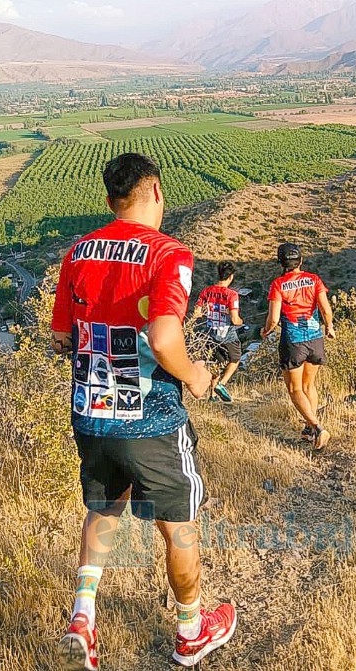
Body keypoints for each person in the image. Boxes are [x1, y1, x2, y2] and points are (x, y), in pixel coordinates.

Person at [51, 153, 237, 670]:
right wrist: (195, 375)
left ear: (110, 202)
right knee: (179, 526)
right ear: (155, 192)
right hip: (150, 419)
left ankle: (82, 619)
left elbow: (62, 337)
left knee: (103, 508)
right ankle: (192, 632)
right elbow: (163, 335)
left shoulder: (78, 251)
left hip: (90, 411)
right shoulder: (169, 254)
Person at [261, 243, 335, 451]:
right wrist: (329, 326)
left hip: (293, 341)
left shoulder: (278, 284)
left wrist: (265, 331)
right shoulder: (314, 280)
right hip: (315, 338)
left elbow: (274, 318)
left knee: (294, 389)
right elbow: (325, 308)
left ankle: (317, 427)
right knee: (309, 386)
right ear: (300, 261)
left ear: (281, 263)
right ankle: (309, 429)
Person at [195, 261, 244, 403]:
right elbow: (235, 320)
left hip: (211, 333)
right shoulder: (232, 295)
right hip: (227, 333)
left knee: (217, 362)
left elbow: (197, 314)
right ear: (231, 277)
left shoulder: (206, 291)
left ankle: (212, 396)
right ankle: (221, 385)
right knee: (235, 359)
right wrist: (241, 321)